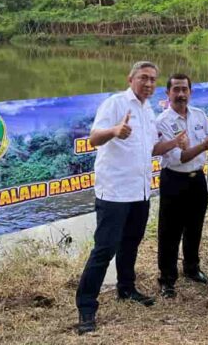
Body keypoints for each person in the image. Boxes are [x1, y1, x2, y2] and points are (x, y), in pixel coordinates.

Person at [75, 61, 187, 335]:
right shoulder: (115, 104)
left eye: (152, 79)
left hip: (140, 191)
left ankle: (126, 288)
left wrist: (173, 143)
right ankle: (86, 308)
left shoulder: (149, 111)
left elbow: (150, 149)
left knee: (131, 244)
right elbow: (93, 139)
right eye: (143, 78)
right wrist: (114, 131)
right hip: (114, 192)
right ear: (130, 79)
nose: (148, 84)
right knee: (104, 249)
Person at [155, 73, 208, 298]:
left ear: (190, 92)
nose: (181, 94)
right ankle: (167, 279)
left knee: (195, 227)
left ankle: (192, 268)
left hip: (198, 180)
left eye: (185, 89)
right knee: (169, 232)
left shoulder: (200, 115)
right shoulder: (163, 121)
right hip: (174, 180)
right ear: (168, 93)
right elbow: (178, 157)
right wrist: (203, 146)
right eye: (176, 90)